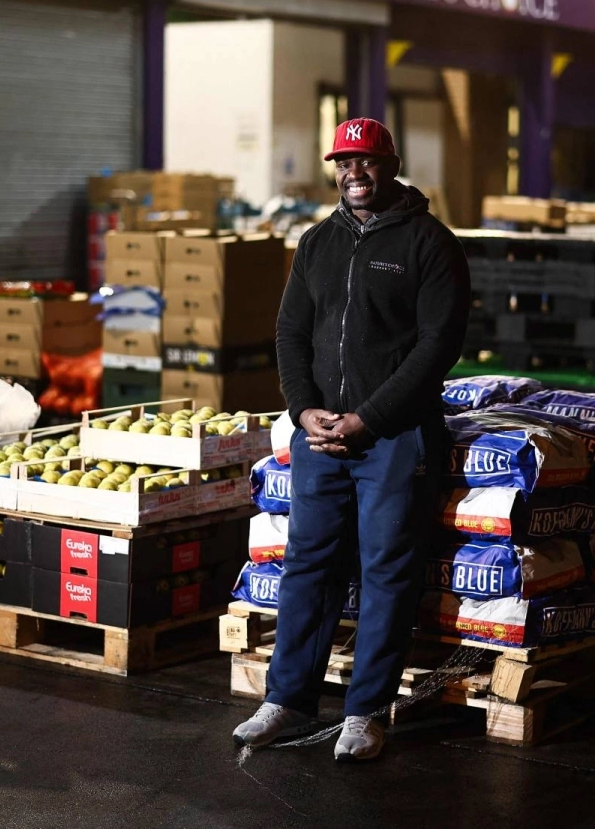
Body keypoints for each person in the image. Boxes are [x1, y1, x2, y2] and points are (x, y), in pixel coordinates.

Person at [232, 117, 470, 762]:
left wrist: (369, 419)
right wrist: (303, 410)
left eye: (365, 161)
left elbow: (437, 346)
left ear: (389, 165)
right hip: (319, 434)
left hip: (393, 436)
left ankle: (366, 712)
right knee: (309, 563)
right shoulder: (317, 243)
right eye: (343, 162)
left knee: (387, 570)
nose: (353, 172)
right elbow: (290, 335)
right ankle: (286, 700)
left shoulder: (430, 242)